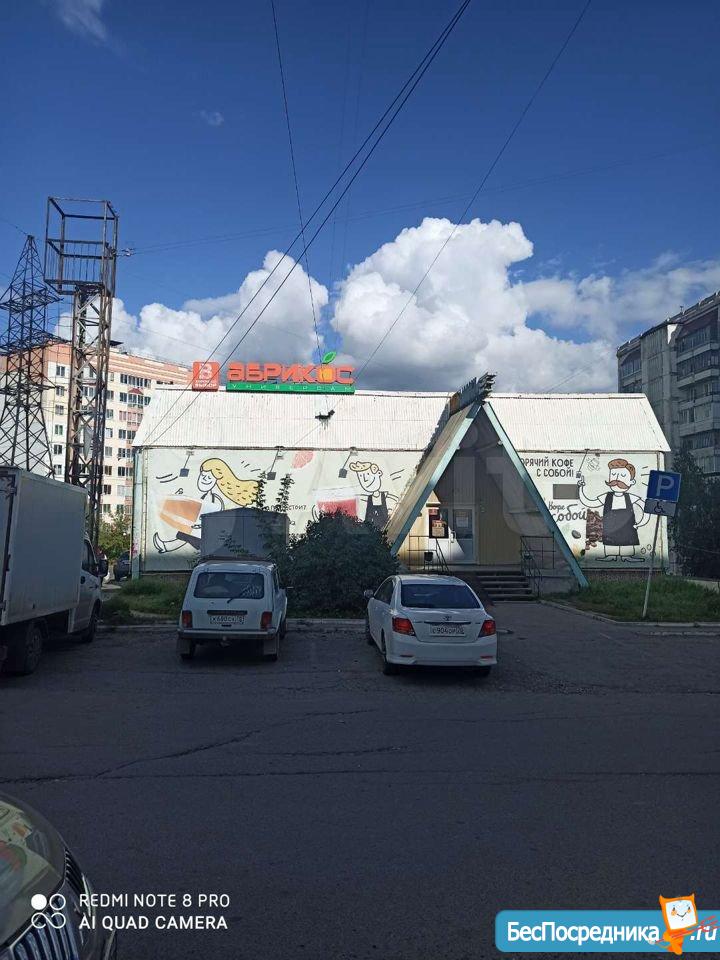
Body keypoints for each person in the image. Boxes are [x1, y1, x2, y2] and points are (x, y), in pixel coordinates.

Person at [578, 457, 650, 561]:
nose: (616, 480)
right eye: (613, 475)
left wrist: (640, 523)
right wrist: (580, 488)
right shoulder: (606, 496)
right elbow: (589, 502)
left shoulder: (630, 497)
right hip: (611, 528)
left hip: (627, 528)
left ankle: (627, 556)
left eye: (622, 476)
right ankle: (610, 555)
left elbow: (646, 508)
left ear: (632, 481)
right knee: (610, 543)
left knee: (627, 542)